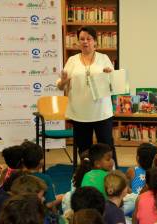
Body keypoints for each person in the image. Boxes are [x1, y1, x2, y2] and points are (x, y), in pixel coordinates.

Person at [56, 26, 117, 166]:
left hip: (102, 112)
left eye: (89, 39)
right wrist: (64, 81)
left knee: (106, 148)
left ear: (95, 41)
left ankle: (108, 175)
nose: (85, 42)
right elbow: (60, 85)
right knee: (84, 150)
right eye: (82, 39)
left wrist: (109, 75)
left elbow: (114, 84)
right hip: (80, 113)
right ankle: (86, 174)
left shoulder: (104, 58)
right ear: (78, 42)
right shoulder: (72, 60)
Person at [21, 141, 62, 209]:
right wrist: (61, 197)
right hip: (40, 213)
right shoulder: (45, 178)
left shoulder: (18, 175)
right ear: (41, 161)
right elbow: (49, 204)